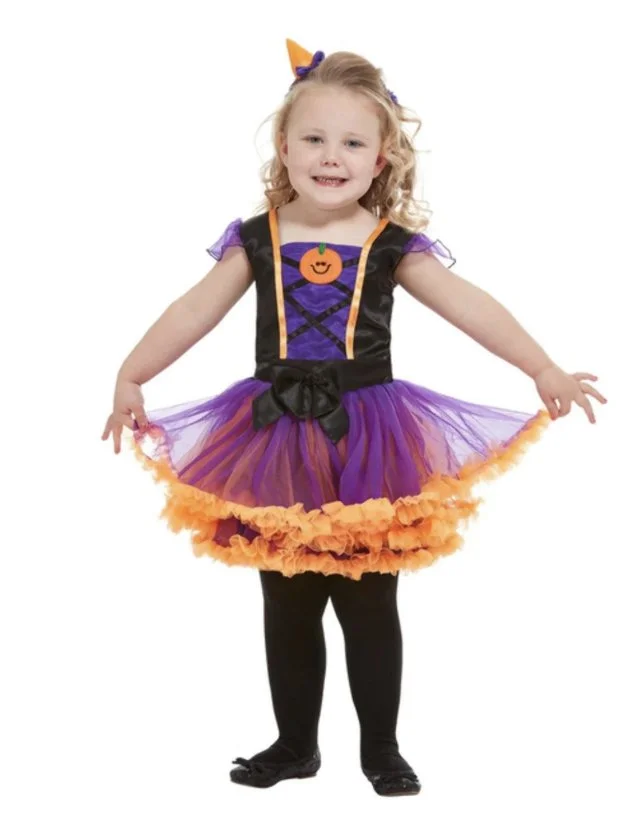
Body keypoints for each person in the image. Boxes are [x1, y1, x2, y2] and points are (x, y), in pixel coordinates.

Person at [101, 38, 607, 797]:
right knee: (287, 597)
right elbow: (193, 310)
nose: (330, 157)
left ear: (381, 159)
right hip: (275, 433)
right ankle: (294, 745)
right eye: (313, 139)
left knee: (370, 599)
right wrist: (132, 373)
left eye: (351, 143)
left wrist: (541, 366)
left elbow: (471, 307)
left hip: (368, 436)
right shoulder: (257, 238)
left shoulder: (390, 243)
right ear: (283, 146)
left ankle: (381, 749)